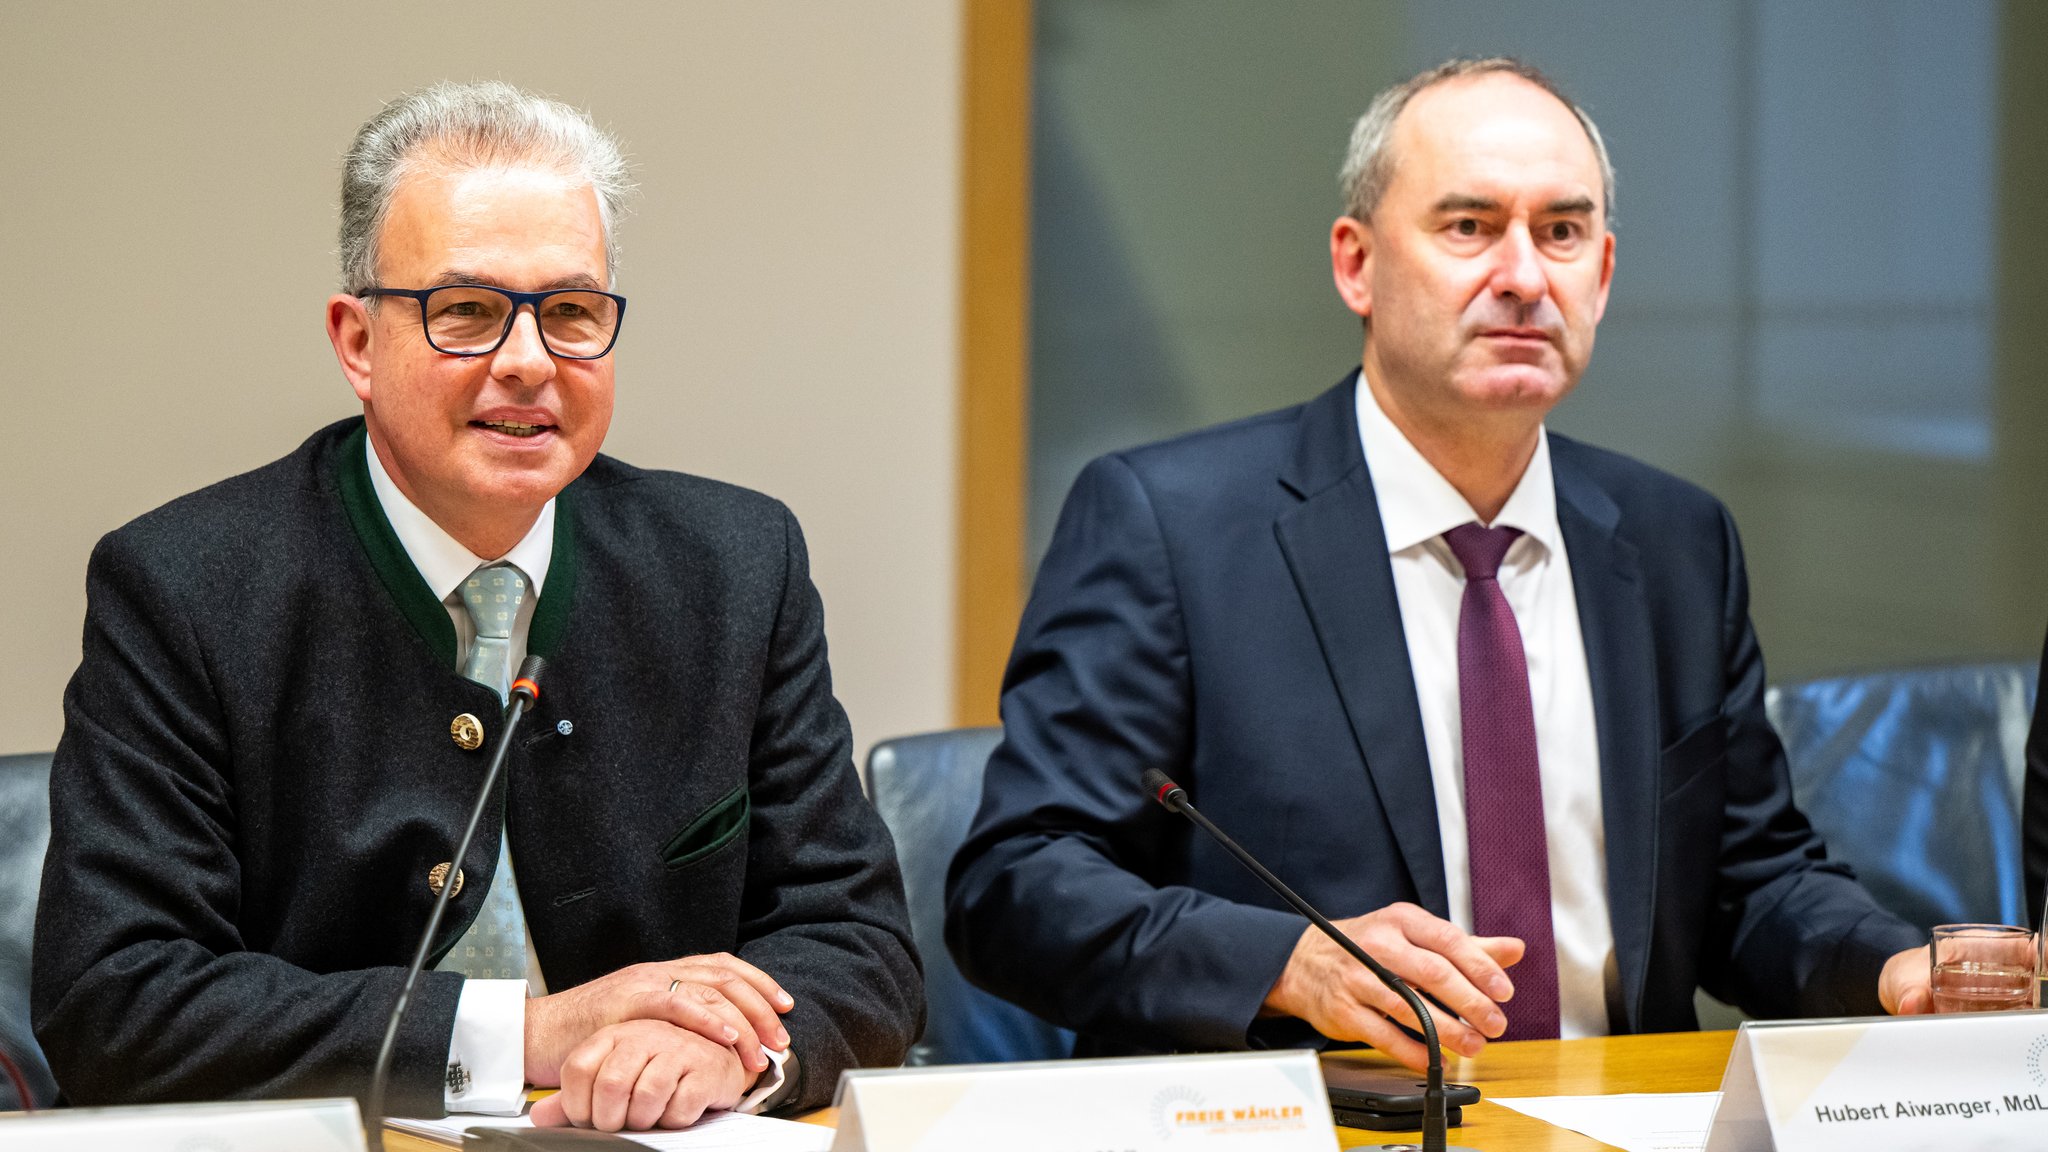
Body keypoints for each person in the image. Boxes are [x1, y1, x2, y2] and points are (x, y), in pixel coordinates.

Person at [945, 58, 1932, 1068]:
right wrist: (1289, 964)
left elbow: (1749, 882)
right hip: (1313, 1123)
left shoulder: (1674, 541)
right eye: (1466, 228)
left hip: (1619, 1118)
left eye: (1559, 232)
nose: (1520, 277)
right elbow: (1016, 884)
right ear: (1354, 265)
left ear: (1600, 273)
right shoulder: (1170, 525)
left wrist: (1893, 970)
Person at [33, 82, 921, 1132]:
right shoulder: (185, 588)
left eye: (573, 313)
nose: (528, 362)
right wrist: (532, 1034)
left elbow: (859, 948)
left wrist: (727, 1052)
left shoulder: (733, 567)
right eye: (464, 312)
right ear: (356, 343)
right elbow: (118, 1001)